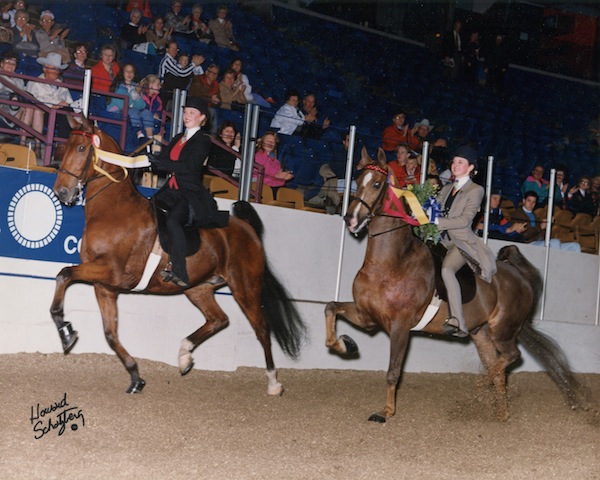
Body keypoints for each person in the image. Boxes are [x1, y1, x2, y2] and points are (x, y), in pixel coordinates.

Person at [150, 97, 228, 288]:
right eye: (186, 112)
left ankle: (180, 271)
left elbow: (189, 167)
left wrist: (162, 162)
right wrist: (150, 158)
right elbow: (165, 159)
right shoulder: (178, 137)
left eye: (192, 113)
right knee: (148, 211)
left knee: (173, 221)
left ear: (202, 118)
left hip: (188, 193)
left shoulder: (202, 140)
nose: (187, 116)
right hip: (171, 191)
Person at [434, 145, 497, 337]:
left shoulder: (476, 190)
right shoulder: (446, 189)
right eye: (454, 161)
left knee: (446, 269)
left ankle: (458, 321)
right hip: (440, 239)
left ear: (470, 167)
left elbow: (463, 221)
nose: (455, 165)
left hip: (460, 242)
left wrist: (436, 221)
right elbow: (435, 211)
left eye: (460, 162)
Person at [21, 52, 75, 160]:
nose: (56, 72)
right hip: (42, 113)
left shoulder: (62, 85)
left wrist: (63, 105)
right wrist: (53, 105)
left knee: (67, 111)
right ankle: (58, 147)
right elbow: (31, 100)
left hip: (59, 115)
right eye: (53, 69)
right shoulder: (34, 83)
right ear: (45, 69)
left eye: (57, 70)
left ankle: (61, 146)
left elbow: (69, 101)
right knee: (44, 111)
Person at [511, 191, 581, 251]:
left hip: (540, 242)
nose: (531, 204)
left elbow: (542, 233)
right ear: (524, 201)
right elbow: (524, 236)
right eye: (529, 201)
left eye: (534, 202)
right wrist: (540, 227)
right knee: (555, 242)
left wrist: (548, 225)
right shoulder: (517, 214)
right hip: (528, 243)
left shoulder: (535, 215)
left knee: (575, 246)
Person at [158, 40, 204, 108]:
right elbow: (181, 72)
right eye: (172, 49)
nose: (175, 51)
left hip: (172, 91)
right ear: (167, 50)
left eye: (176, 49)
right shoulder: (167, 60)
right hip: (165, 90)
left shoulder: (174, 61)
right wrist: (194, 64)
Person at [188, 63, 219, 135]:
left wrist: (217, 101)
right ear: (207, 72)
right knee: (211, 112)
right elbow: (196, 93)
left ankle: (211, 136)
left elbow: (218, 98)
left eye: (216, 74)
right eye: (212, 73)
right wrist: (210, 97)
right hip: (197, 105)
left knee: (213, 112)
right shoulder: (198, 79)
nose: (214, 75)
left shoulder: (216, 84)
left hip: (209, 106)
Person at [0, 50, 25, 132]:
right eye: (7, 62)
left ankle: (22, 139)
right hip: (3, 107)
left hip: (16, 109)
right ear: (1, 64)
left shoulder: (19, 80)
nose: (10, 65)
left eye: (13, 63)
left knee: (29, 108)